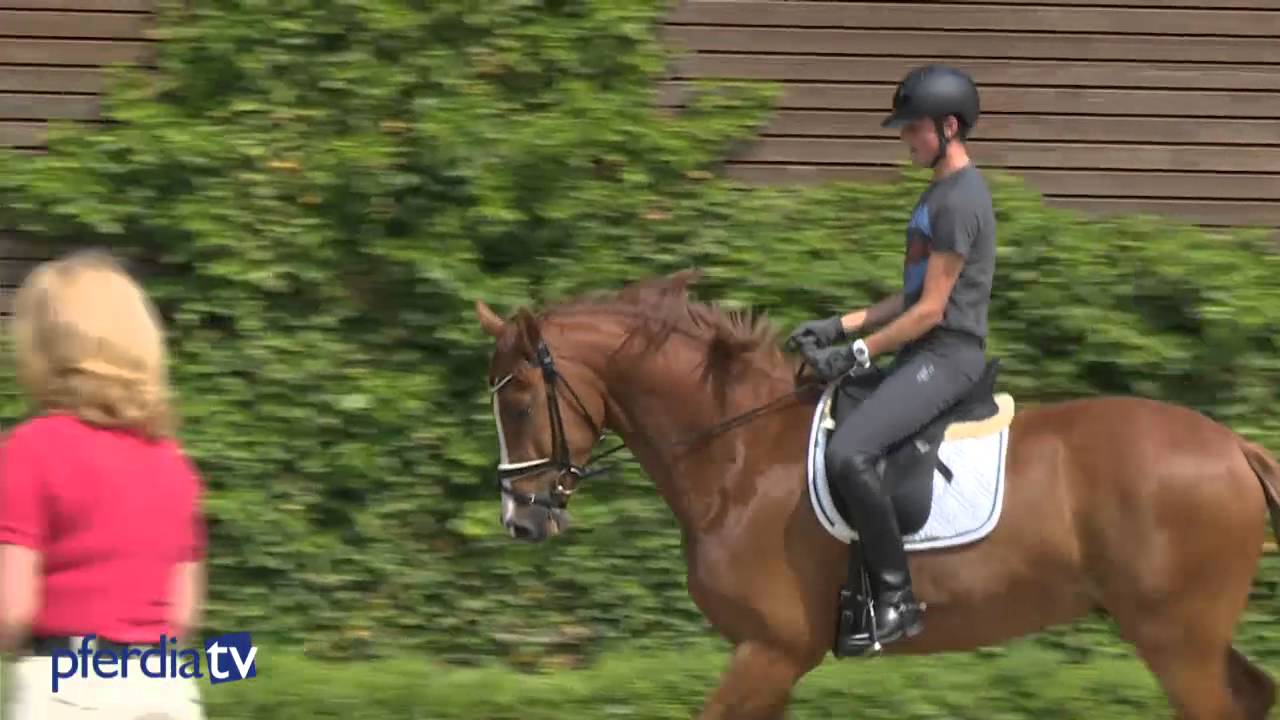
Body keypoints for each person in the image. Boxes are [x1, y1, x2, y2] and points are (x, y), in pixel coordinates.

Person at [788, 64, 997, 649]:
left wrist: (854, 353)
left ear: (949, 127)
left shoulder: (961, 199)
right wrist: (838, 325)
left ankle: (896, 599)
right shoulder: (940, 193)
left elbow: (930, 312)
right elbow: (907, 297)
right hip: (923, 350)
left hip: (947, 355)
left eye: (914, 128)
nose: (906, 138)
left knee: (851, 453)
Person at [0, 249, 207, 719]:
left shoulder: (30, 449)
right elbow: (182, 613)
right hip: (166, 689)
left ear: (39, 353)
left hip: (68, 685)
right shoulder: (173, 463)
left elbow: (12, 609)